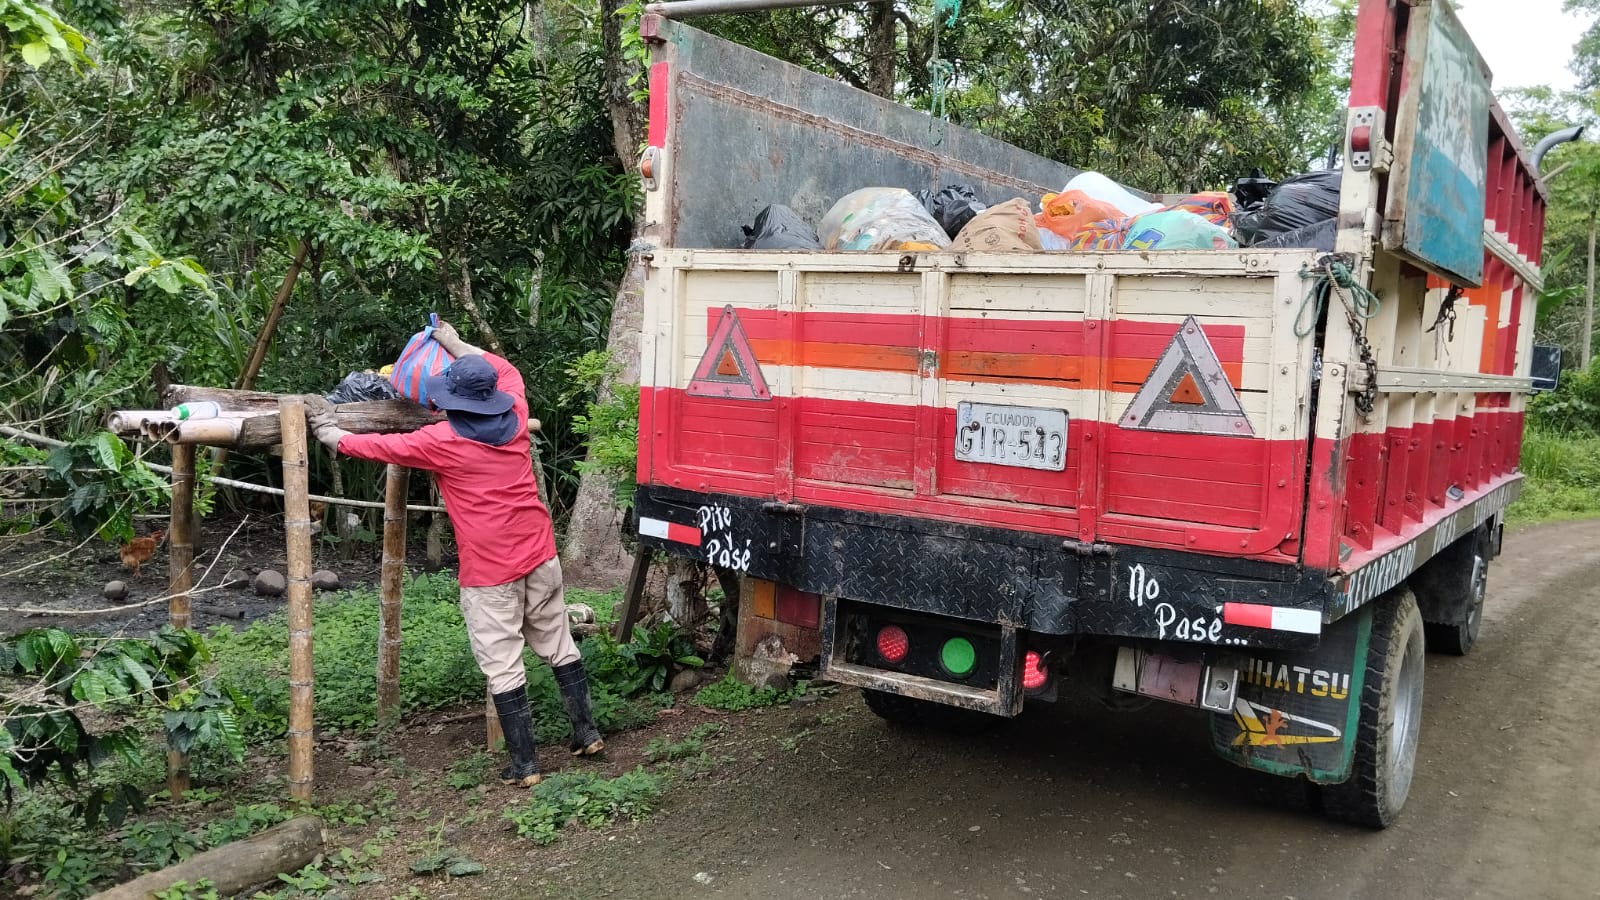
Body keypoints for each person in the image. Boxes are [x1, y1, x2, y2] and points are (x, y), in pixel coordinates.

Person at [304, 321, 601, 788]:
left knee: (503, 663)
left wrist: (327, 431)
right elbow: (504, 368)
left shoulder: (442, 441)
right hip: (540, 552)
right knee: (559, 643)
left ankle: (525, 766)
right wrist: (453, 340)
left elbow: (378, 446)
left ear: (454, 401)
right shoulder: (516, 410)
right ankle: (587, 733)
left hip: (491, 569)